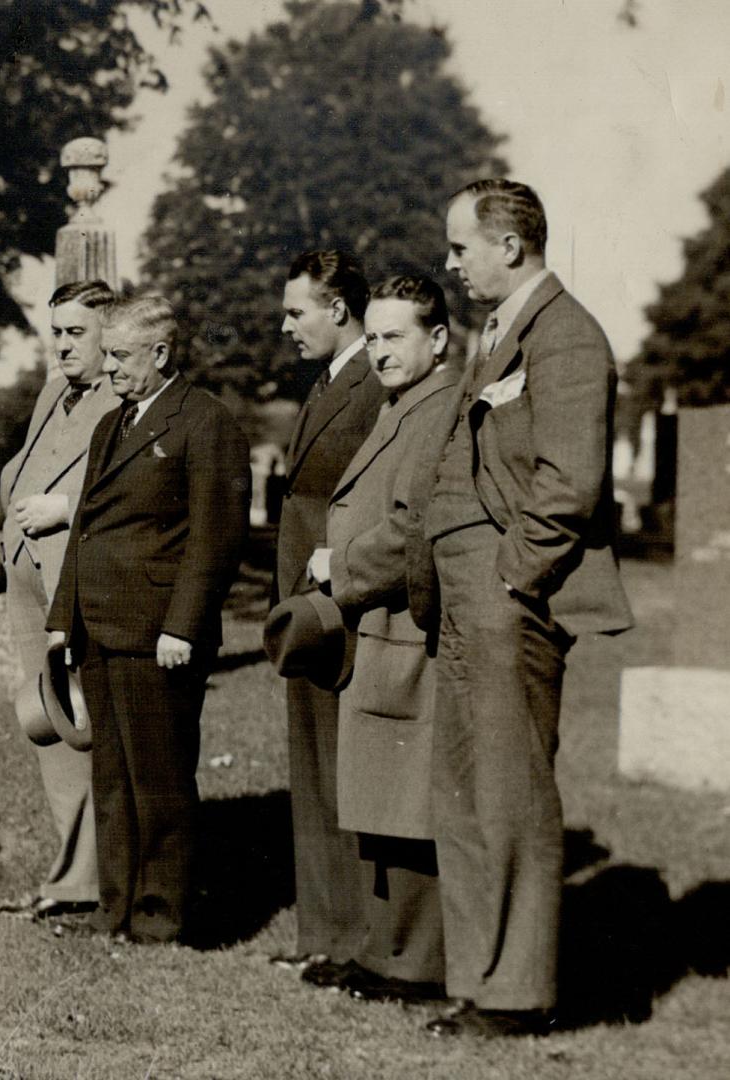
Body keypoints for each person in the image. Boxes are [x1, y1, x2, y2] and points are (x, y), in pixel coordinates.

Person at [414, 179, 633, 1036]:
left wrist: (512, 579)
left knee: (509, 797)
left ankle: (515, 995)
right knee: (463, 795)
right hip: (467, 596)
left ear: (510, 245)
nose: (451, 262)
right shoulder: (497, 334)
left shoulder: (568, 337)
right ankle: (479, 983)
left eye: (460, 246)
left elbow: (570, 484)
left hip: (510, 597)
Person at [46, 294, 250, 944]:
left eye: (120, 355)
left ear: (161, 354)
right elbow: (84, 528)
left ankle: (160, 917)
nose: (108, 367)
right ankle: (116, 910)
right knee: (112, 778)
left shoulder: (205, 422)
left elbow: (214, 539)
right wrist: (62, 619)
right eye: (105, 354)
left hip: (157, 634)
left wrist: (182, 627)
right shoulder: (114, 424)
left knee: (158, 781)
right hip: (100, 629)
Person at [305, 274, 460, 1004]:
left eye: (395, 336)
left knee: (408, 806)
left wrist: (340, 566)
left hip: (405, 625)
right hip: (380, 625)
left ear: (439, 338)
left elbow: (413, 528)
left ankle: (414, 963)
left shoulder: (438, 409)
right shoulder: (405, 403)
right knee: (381, 802)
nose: (379, 351)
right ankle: (382, 951)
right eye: (372, 337)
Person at [272, 250, 387, 984]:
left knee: (344, 769)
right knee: (312, 767)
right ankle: (326, 932)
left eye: (296, 312)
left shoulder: (374, 384)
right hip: (306, 603)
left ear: (338, 308)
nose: (286, 327)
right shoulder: (328, 384)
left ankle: (354, 937)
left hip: (341, 601)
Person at [0, 279, 120, 920]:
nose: (64, 346)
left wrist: (64, 508)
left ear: (110, 333)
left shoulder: (125, 397)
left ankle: (95, 879)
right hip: (26, 578)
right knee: (45, 723)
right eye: (58, 333)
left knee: (85, 727)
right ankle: (72, 878)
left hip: (77, 580)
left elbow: (136, 490)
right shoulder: (53, 393)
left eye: (77, 333)